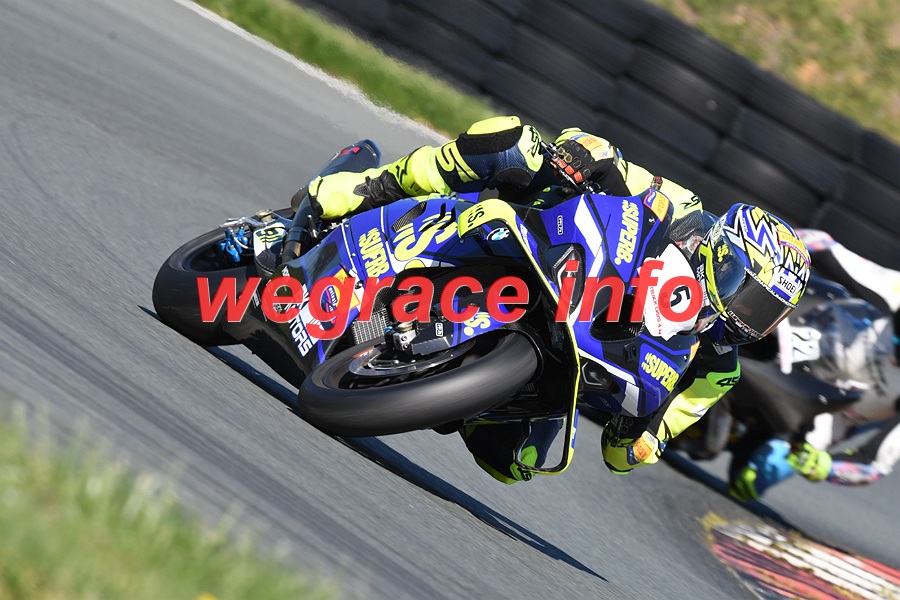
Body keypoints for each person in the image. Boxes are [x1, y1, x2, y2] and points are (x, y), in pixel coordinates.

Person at [284, 115, 811, 484]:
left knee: (517, 461)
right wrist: (585, 157)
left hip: (580, 352)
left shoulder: (718, 368)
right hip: (549, 240)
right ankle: (365, 189)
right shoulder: (682, 210)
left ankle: (442, 377)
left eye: (764, 313)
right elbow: (603, 154)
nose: (746, 318)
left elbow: (636, 445)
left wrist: (645, 440)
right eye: (749, 295)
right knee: (510, 142)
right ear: (723, 256)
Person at [728, 230, 900, 502]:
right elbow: (823, 244)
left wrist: (826, 467)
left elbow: (876, 464)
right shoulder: (893, 289)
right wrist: (774, 248)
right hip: (806, 337)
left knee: (749, 480)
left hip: (829, 413)